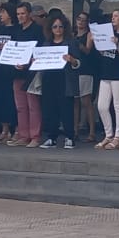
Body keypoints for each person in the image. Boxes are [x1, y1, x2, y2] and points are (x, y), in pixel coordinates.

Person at [36, 14, 80, 149]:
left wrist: (72, 60)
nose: (58, 29)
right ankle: (51, 137)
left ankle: (69, 137)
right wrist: (36, 62)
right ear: (50, 28)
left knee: (66, 109)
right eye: (55, 26)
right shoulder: (46, 43)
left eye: (61, 26)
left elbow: (78, 63)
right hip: (49, 79)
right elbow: (41, 61)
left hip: (64, 80)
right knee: (50, 109)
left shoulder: (70, 42)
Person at [92, 7, 119, 149]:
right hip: (106, 73)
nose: (113, 19)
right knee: (101, 105)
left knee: (118, 105)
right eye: (112, 16)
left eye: (116, 16)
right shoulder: (110, 32)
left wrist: (118, 44)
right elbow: (104, 53)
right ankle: (108, 134)